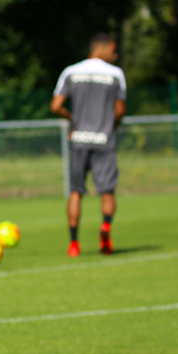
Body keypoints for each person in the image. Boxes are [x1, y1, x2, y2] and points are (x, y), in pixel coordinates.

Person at [50, 33, 127, 256]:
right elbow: (119, 110)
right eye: (112, 50)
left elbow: (55, 106)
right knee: (107, 191)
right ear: (101, 49)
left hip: (79, 140)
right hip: (104, 140)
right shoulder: (115, 74)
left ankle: (74, 243)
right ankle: (106, 227)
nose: (115, 55)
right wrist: (112, 126)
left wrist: (72, 120)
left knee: (76, 191)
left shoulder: (71, 72)